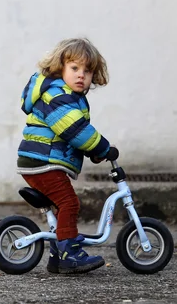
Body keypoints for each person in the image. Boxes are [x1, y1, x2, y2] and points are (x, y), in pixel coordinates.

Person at [16, 37, 119, 275]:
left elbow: (71, 136)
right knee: (68, 202)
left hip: (42, 160)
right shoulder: (57, 96)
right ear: (59, 68)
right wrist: (102, 148)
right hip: (42, 162)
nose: (81, 75)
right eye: (74, 68)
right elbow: (74, 130)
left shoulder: (69, 97)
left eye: (88, 71)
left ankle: (56, 256)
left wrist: (92, 152)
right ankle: (68, 254)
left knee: (62, 207)